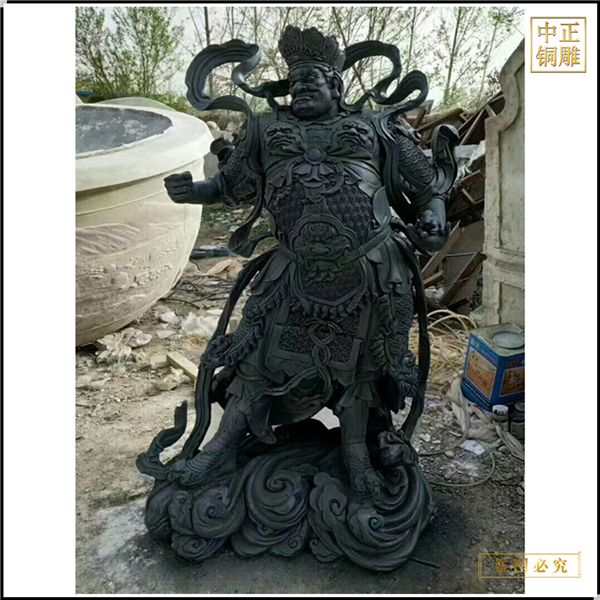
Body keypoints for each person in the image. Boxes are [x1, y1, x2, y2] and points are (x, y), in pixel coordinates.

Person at [161, 26, 457, 502]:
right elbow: (230, 187)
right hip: (294, 270)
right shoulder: (265, 130)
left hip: (370, 270)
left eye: (310, 81)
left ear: (335, 86)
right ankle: (221, 445)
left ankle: (357, 452)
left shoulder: (377, 126)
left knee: (362, 368)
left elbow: (427, 189)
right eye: (294, 82)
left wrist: (434, 219)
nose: (299, 88)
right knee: (257, 355)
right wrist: (195, 191)